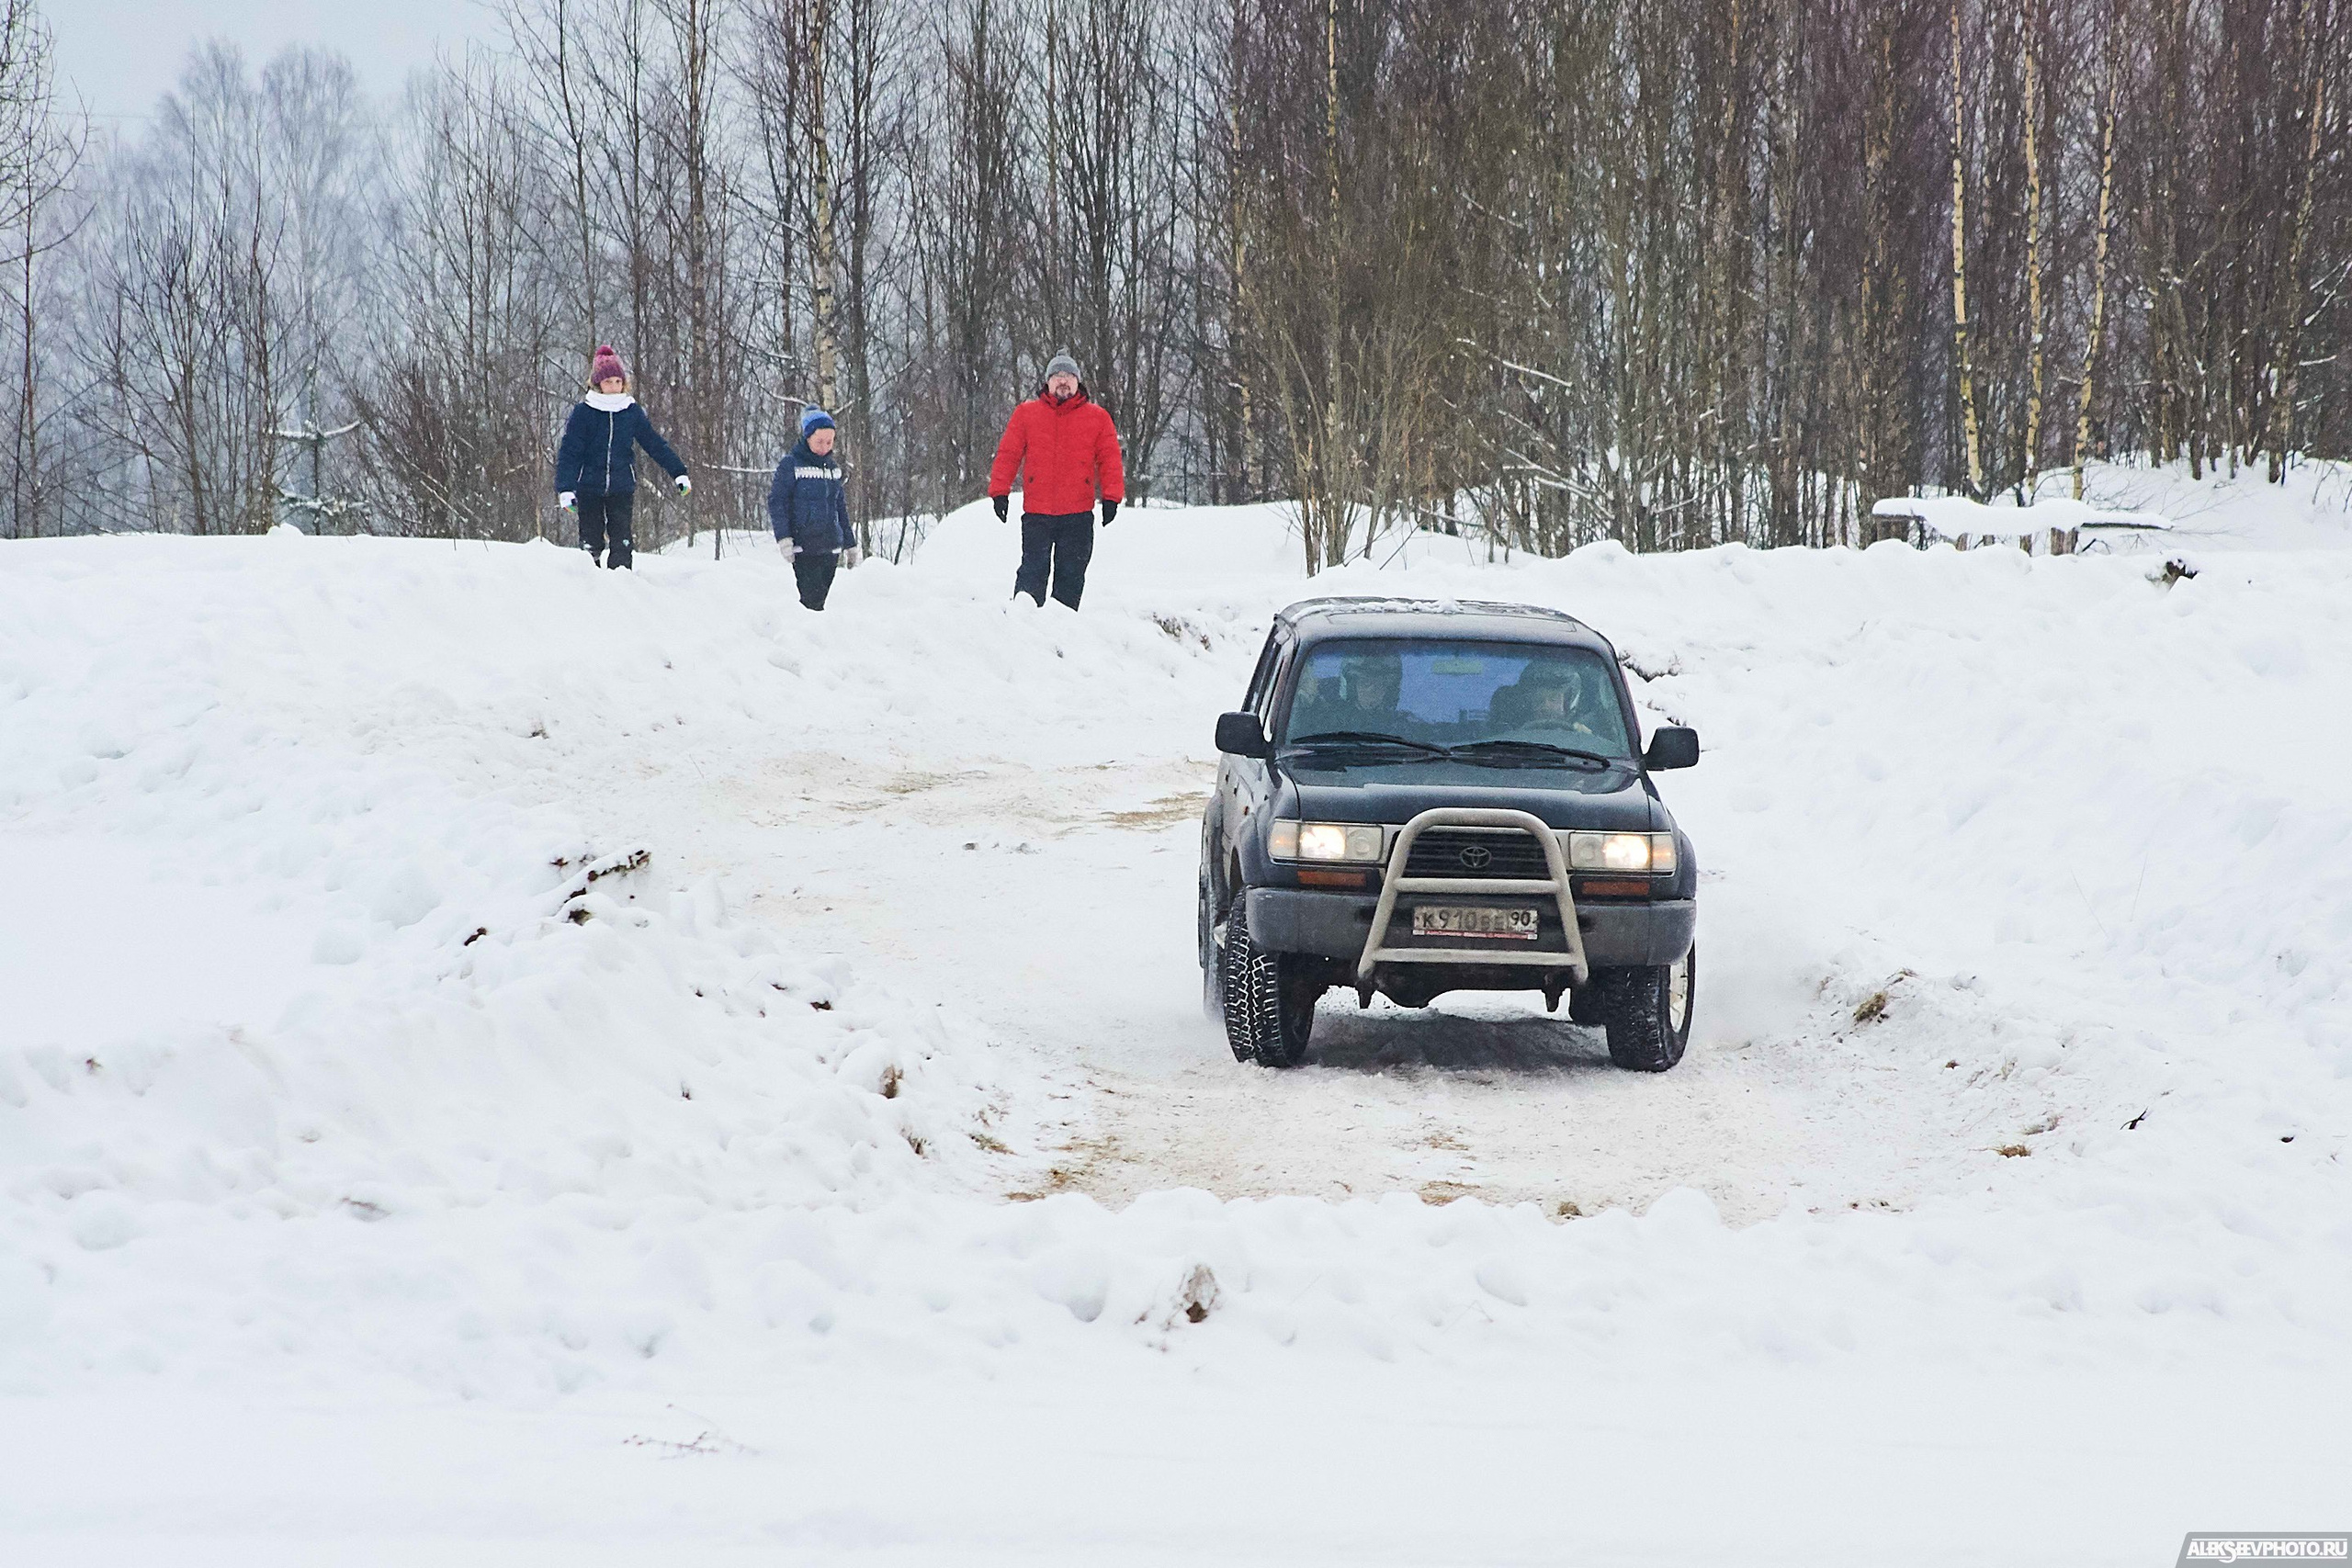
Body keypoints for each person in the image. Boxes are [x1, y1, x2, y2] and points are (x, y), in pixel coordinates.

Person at [987, 353, 1125, 609]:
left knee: (1071, 577)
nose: (1063, 382)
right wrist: (999, 492)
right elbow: (1008, 453)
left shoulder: (1097, 417)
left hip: (1078, 514)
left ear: (1077, 382)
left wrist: (1112, 497)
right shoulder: (1026, 414)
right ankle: (1023, 621)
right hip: (1038, 513)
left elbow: (1110, 459)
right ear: (1048, 382)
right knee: (1032, 573)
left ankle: (1062, 626)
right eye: (1057, 376)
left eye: (1069, 376)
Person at [553, 345, 689, 570]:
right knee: (591, 540)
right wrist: (565, 488)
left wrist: (679, 472)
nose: (614, 386)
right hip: (589, 486)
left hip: (621, 486)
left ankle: (622, 580)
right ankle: (589, 581)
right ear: (598, 383)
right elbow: (570, 452)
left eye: (618, 381)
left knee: (622, 540)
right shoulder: (584, 412)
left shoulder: (630, 411)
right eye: (608, 382)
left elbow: (654, 443)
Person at [768, 407, 857, 611]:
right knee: (811, 603)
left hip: (831, 548)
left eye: (829, 442)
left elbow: (840, 508)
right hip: (805, 548)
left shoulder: (833, 469)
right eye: (819, 441)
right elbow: (777, 501)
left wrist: (849, 543)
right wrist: (784, 538)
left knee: (821, 603)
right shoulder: (791, 465)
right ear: (807, 437)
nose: (825, 447)